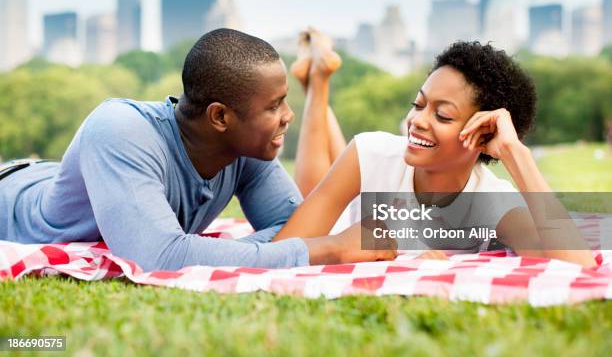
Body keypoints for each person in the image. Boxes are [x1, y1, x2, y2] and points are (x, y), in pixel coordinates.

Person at [0, 28, 396, 272]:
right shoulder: (119, 130)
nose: (287, 116)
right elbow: (161, 259)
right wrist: (328, 249)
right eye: (273, 105)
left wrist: (201, 252)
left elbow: (295, 229)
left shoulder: (246, 151)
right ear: (220, 116)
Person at [273, 29, 596, 267]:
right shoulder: (371, 152)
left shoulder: (491, 202)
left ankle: (317, 76)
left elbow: (577, 265)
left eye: (442, 115)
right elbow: (285, 249)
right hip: (342, 228)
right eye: (418, 104)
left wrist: (516, 153)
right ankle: (318, 81)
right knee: (313, 186)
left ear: (482, 135)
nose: (417, 121)